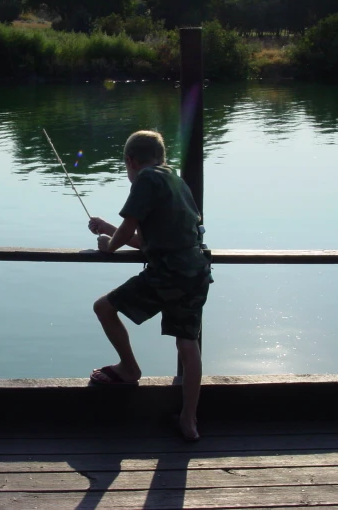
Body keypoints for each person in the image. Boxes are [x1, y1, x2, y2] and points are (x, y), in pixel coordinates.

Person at [88, 130, 212, 442]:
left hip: (168, 272)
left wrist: (107, 246)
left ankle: (129, 369)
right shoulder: (174, 179)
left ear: (131, 161)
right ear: (162, 157)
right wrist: (108, 229)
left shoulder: (145, 178)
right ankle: (189, 420)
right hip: (196, 270)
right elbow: (144, 241)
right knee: (187, 343)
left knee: (103, 307)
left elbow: (130, 230)